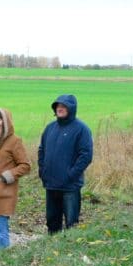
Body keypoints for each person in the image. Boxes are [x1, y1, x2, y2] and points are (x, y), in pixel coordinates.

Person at [38, 94, 94, 234]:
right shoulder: (50, 128)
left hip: (70, 186)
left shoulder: (81, 129)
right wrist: (42, 170)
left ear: (71, 108)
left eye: (64, 106)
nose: (60, 108)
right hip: (51, 184)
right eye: (58, 106)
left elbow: (86, 156)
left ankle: (70, 252)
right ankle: (51, 250)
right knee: (52, 222)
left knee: (71, 224)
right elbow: (42, 149)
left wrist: (71, 175)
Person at [0, 108, 31, 248]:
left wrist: (8, 175)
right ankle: (2, 257)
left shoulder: (14, 141)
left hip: (4, 192)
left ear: (6, 121)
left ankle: (3, 260)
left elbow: (25, 165)